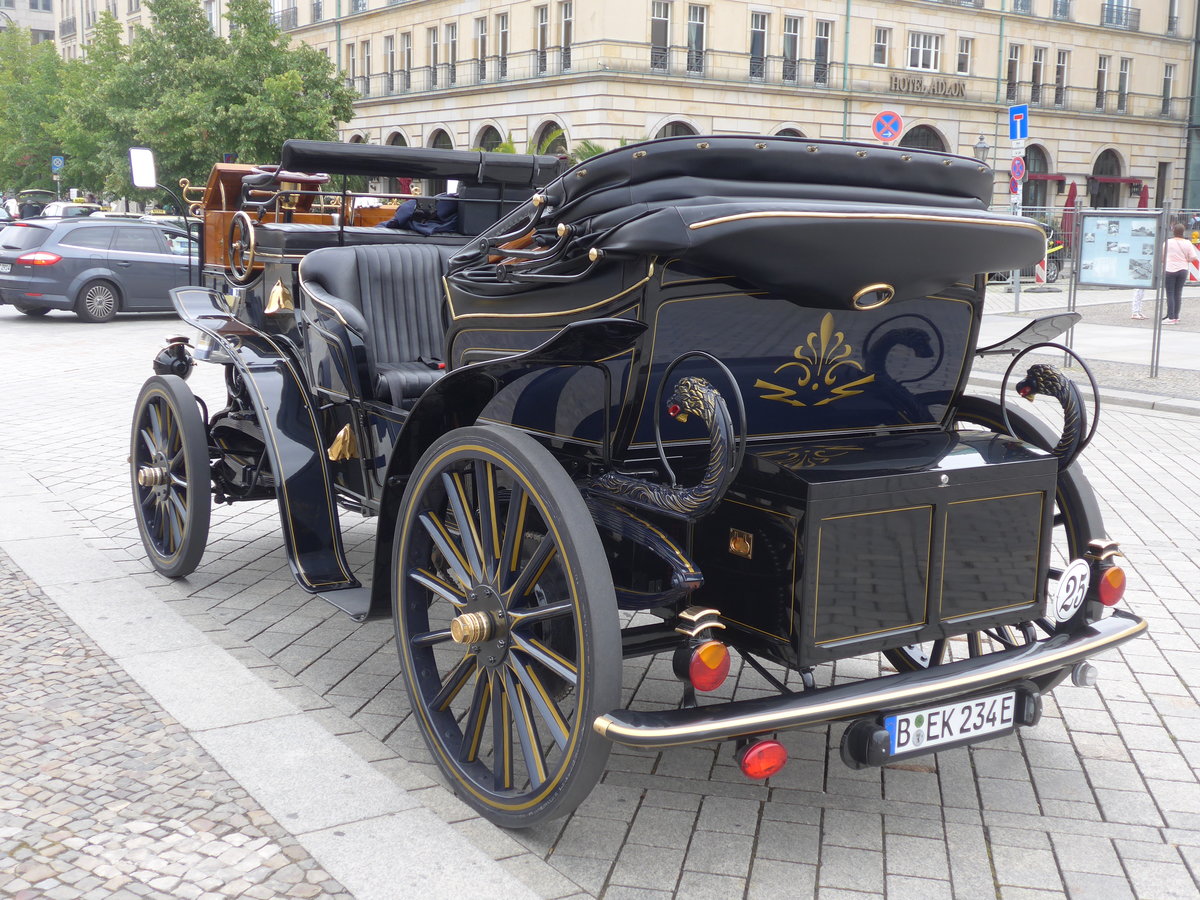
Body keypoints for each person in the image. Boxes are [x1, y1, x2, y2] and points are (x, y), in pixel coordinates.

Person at [1162, 222, 1199, 325]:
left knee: (1170, 293)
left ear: (1173, 231)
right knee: (1178, 293)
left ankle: (1170, 316)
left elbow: (1162, 257)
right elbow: (1194, 257)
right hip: (1183, 269)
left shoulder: (1168, 242)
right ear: (1183, 232)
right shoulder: (1187, 243)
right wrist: (1186, 259)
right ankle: (1176, 316)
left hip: (1170, 269)